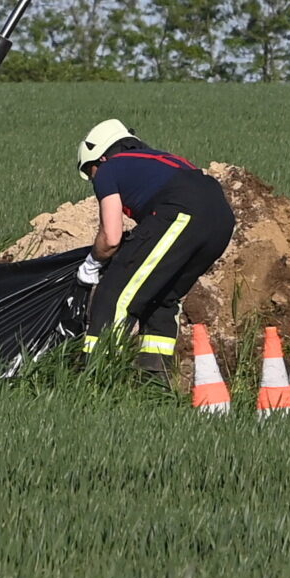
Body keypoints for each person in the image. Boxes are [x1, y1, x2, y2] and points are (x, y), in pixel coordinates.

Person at [74, 119, 236, 384]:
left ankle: (96, 379)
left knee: (115, 293)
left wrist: (91, 265)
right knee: (161, 299)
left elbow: (111, 237)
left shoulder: (108, 170)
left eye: (90, 172)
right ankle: (154, 384)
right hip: (220, 221)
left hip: (181, 211)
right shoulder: (159, 160)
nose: (93, 179)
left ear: (99, 157)